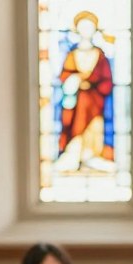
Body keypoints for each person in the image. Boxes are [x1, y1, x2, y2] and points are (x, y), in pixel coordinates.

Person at [55, 10, 115, 173]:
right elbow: (65, 76)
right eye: (83, 27)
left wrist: (89, 81)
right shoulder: (72, 54)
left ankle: (92, 156)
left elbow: (106, 80)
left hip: (95, 103)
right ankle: (73, 155)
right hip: (76, 103)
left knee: (94, 130)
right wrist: (74, 80)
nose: (86, 30)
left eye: (90, 27)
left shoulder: (100, 55)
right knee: (76, 129)